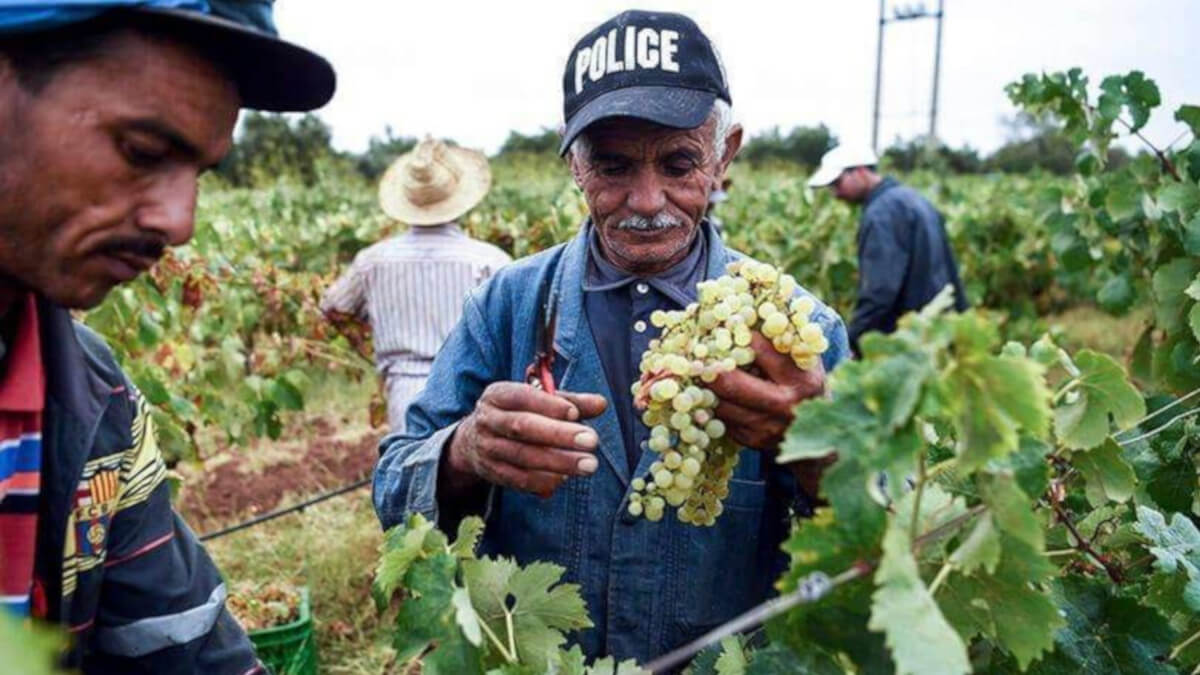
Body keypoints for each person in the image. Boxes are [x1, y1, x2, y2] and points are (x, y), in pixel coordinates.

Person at [374, 10, 849, 665]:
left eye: (679, 163)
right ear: (573, 163)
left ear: (724, 154)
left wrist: (821, 451)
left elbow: (878, 535)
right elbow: (393, 488)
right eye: (613, 166)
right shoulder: (508, 306)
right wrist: (462, 454)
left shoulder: (801, 333)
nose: (647, 199)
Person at [0, 1, 335, 671]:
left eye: (200, 173)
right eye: (143, 151)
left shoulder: (99, 405)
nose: (180, 221)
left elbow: (177, 643)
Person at [321, 138, 511, 432]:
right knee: (472, 472)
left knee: (408, 473)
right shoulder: (490, 261)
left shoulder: (372, 261)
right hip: (473, 390)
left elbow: (333, 307)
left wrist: (364, 335)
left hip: (404, 389)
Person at [808, 145, 968, 354]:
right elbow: (949, 269)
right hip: (935, 329)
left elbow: (880, 292)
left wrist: (849, 342)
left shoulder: (881, 213)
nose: (835, 193)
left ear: (860, 171)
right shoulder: (913, 198)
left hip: (907, 338)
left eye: (837, 183)